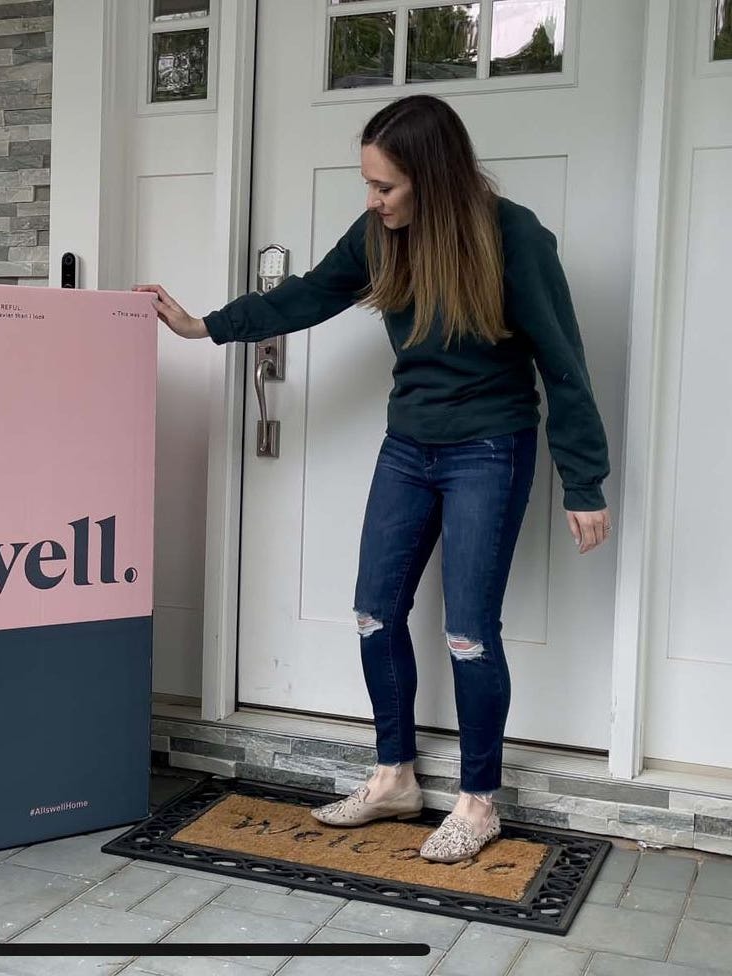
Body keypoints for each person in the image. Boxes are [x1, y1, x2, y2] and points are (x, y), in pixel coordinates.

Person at [134, 94, 612, 864]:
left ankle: (478, 800)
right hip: (408, 448)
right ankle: (393, 778)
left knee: (468, 630)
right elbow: (308, 294)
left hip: (490, 448)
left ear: (433, 178)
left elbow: (563, 362)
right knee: (374, 613)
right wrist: (204, 326)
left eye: (384, 187)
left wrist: (585, 482)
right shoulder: (379, 236)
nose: (372, 200)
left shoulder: (514, 237)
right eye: (369, 185)